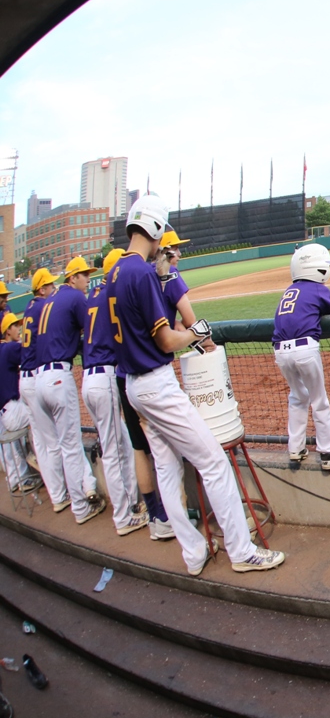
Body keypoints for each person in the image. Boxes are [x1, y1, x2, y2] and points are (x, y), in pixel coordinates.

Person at [108, 194, 284, 576]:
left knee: (168, 470)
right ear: (154, 228)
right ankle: (242, 551)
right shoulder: (139, 272)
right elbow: (168, 341)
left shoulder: (114, 272)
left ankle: (193, 553)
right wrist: (195, 332)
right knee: (214, 462)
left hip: (133, 385)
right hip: (156, 383)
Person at [27, 259, 106, 524]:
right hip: (58, 377)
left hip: (38, 380)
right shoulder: (74, 297)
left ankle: (68, 494)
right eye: (83, 276)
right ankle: (82, 508)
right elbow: (92, 327)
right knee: (71, 446)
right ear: (72, 278)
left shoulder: (50, 301)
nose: (86, 280)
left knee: (55, 444)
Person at [78, 253, 148, 535]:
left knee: (118, 440)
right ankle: (123, 517)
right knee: (113, 449)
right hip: (104, 376)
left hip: (88, 379)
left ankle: (134, 505)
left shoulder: (94, 296)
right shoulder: (112, 295)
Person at [274, 244, 330, 470]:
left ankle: (295, 449)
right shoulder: (319, 289)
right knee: (319, 400)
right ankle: (328, 452)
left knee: (297, 397)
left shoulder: (288, 291)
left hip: (280, 352)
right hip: (305, 350)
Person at [0, 313, 40, 495]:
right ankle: (38, 457)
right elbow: (29, 352)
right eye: (15, 326)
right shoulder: (9, 349)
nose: (19, 329)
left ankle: (26, 470)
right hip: (13, 410)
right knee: (42, 416)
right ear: (7, 331)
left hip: (6, 413)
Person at [155, 230, 194, 330]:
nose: (179, 254)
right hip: (164, 341)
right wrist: (175, 324)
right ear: (164, 251)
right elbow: (190, 321)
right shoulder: (170, 272)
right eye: (175, 249)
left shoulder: (146, 272)